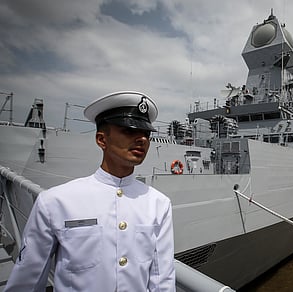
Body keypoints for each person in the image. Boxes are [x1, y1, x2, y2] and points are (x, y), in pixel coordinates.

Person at [5, 91, 175, 291]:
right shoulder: (55, 202)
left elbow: (162, 281)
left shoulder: (158, 204)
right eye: (129, 131)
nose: (142, 140)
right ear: (101, 139)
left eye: (146, 134)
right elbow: (27, 280)